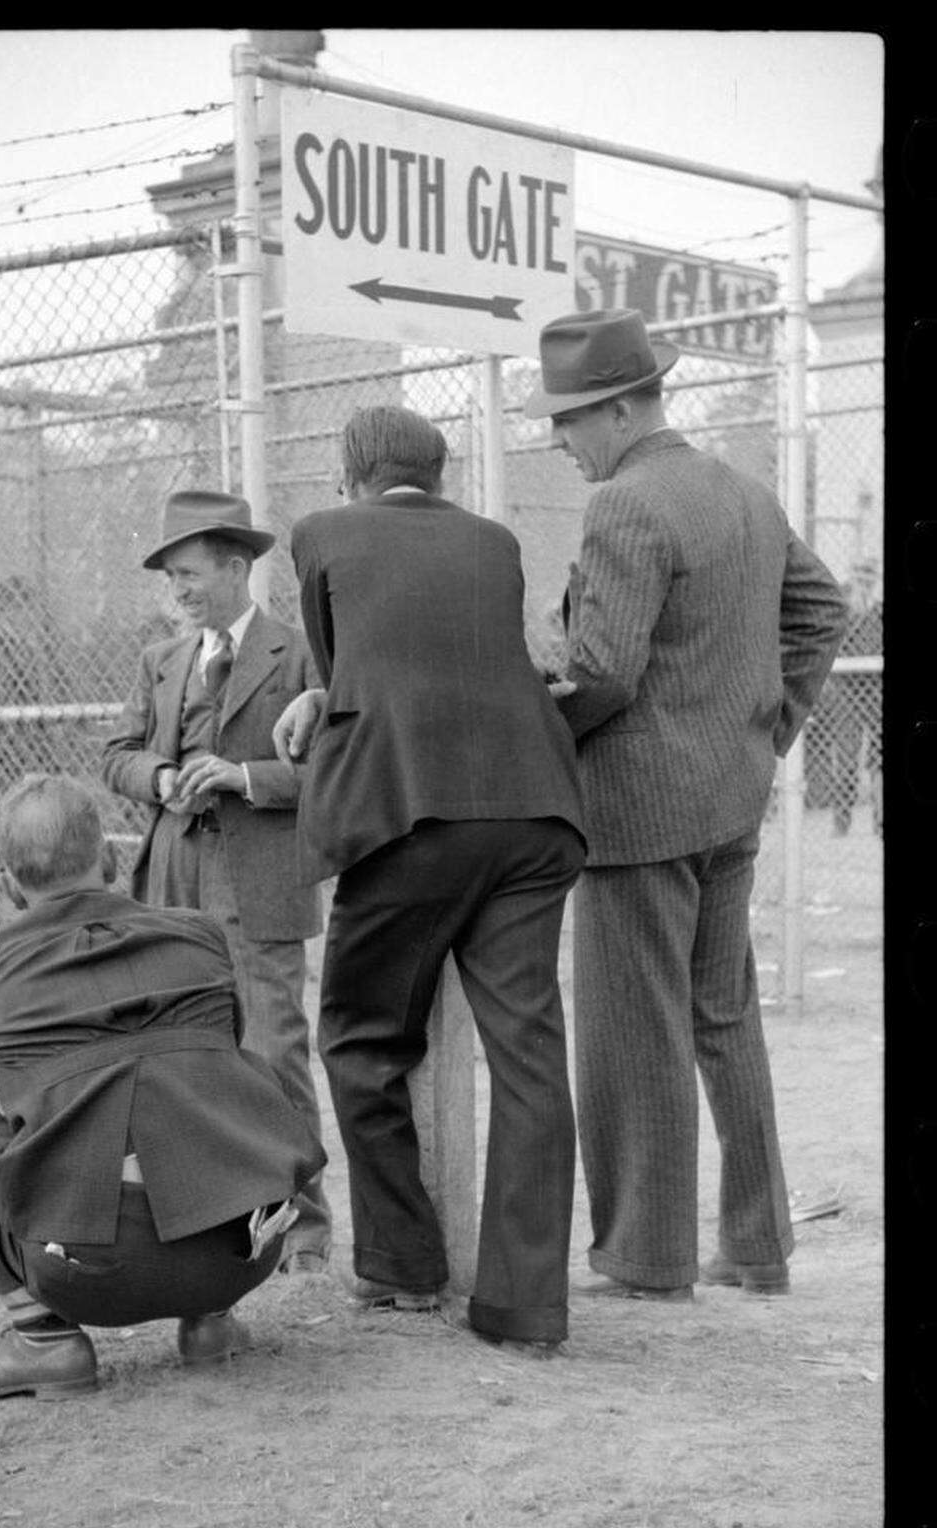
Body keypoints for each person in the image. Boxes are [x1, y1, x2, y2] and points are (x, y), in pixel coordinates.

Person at [524, 308, 848, 1301]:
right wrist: (763, 729)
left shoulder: (625, 504)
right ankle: (758, 1246)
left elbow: (603, 675)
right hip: (728, 801)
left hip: (635, 816)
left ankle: (646, 1257)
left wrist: (525, 737)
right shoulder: (742, 491)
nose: (561, 441)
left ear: (621, 407)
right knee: (723, 1017)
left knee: (633, 1031)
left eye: (570, 420)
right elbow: (823, 608)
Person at [272, 405, 586, 1355]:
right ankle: (527, 1308)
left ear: (351, 470)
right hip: (533, 811)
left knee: (361, 1040)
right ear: (439, 473)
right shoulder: (495, 542)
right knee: (529, 1054)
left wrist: (321, 691)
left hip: (412, 816)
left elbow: (347, 662)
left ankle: (405, 1266)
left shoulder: (323, 533)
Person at [0, 773, 326, 1400]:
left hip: (84, 1271)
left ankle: (44, 1339)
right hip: (239, 1259)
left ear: (11, 888)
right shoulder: (198, 935)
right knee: (198, 1079)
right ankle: (210, 1323)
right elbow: (225, 1046)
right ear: (113, 859)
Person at [100, 490, 331, 1274]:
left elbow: (333, 770)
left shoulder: (298, 653)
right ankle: (204, 1210)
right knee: (177, 1048)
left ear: (237, 567)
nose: (180, 591)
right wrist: (162, 775)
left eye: (191, 573)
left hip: (259, 878)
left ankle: (302, 1221)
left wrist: (241, 774)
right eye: (171, 577)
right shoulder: (161, 660)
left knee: (271, 1046)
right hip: (172, 872)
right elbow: (115, 753)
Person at [0, 575, 70, 931]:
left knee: (16, 825)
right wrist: (17, 748)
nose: (28, 615)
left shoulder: (28, 648)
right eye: (21, 608)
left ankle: (6, 903)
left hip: (31, 750)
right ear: (9, 610)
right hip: (10, 752)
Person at [823, 557, 884, 837]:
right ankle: (841, 822)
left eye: (869, 574)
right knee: (846, 757)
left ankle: (879, 822)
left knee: (878, 758)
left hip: (874, 687)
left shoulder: (877, 604)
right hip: (846, 688)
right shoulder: (842, 598)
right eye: (860, 573)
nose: (865, 579)